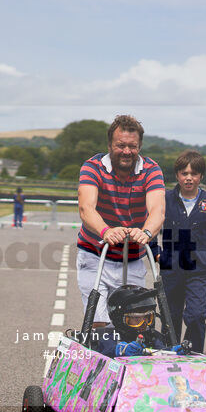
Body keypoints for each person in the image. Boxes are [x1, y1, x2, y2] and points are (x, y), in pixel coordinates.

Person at [77, 115, 165, 326]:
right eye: (121, 145)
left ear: (140, 146)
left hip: (132, 258)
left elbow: (157, 210)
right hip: (95, 255)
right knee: (100, 325)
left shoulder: (151, 170)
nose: (127, 151)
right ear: (109, 145)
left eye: (132, 146)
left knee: (136, 325)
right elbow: (86, 207)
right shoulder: (92, 167)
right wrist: (105, 230)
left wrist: (145, 232)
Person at [153, 150, 206, 352]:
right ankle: (170, 355)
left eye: (194, 173)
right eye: (184, 173)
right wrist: (157, 253)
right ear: (177, 175)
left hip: (198, 270)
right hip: (171, 268)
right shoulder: (164, 199)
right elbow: (150, 228)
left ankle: (192, 355)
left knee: (196, 315)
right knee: (170, 317)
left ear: (201, 176)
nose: (189, 178)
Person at [95, 285, 180, 358]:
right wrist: (122, 350)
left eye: (147, 317)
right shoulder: (109, 337)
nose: (144, 324)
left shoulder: (152, 337)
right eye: (136, 319)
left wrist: (172, 352)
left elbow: (161, 351)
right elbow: (106, 350)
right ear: (120, 320)